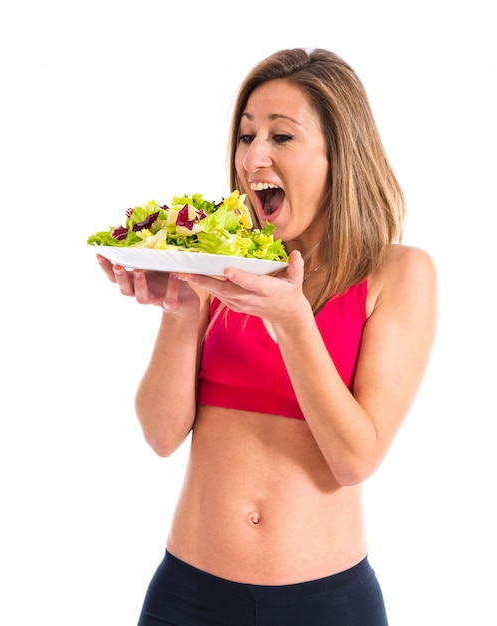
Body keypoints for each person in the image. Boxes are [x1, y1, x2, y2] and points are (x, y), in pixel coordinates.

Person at [97, 47, 438, 625]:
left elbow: (355, 458)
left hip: (326, 604)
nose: (253, 156)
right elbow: (160, 435)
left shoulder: (399, 274)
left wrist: (294, 321)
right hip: (188, 595)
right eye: (246, 134)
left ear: (340, 156)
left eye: (281, 137)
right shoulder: (221, 262)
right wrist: (181, 315)